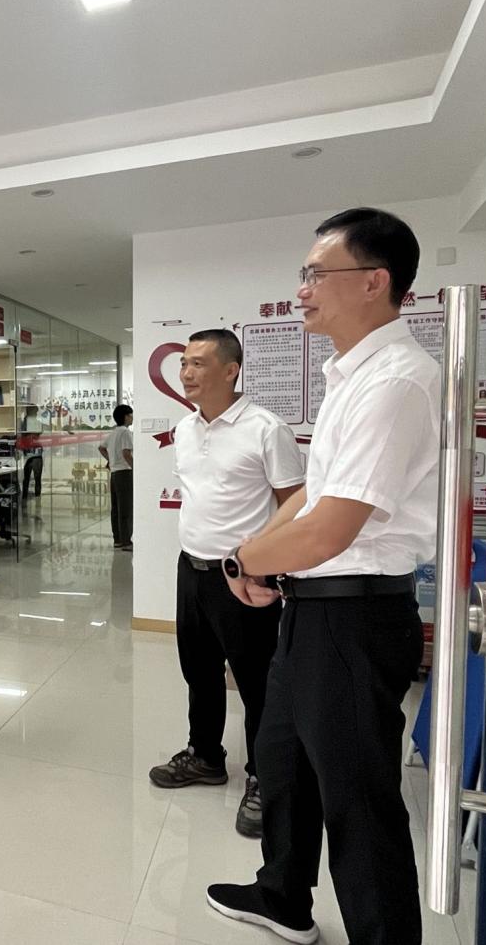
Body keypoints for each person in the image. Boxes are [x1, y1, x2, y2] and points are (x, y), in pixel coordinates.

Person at [205, 208, 437, 945]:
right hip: (312, 608)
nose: (301, 289)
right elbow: (311, 493)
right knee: (283, 759)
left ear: (374, 281)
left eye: (315, 274)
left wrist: (246, 561)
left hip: (354, 616)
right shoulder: (352, 372)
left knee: (357, 800)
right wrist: (253, 549)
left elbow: (334, 526)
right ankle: (283, 895)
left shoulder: (396, 381)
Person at [148, 329, 304, 839]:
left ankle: (263, 775)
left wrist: (265, 565)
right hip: (191, 569)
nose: (186, 373)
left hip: (244, 577)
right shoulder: (186, 428)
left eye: (197, 363)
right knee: (199, 671)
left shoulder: (265, 429)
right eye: (183, 363)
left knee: (257, 681)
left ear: (231, 369)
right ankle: (206, 756)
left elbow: (294, 503)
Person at [99, 404, 134, 550]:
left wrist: (111, 460)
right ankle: (126, 541)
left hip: (114, 474)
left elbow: (101, 448)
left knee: (116, 508)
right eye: (131, 415)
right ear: (125, 417)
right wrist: (135, 468)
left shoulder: (113, 433)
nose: (132, 418)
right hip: (124, 473)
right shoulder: (125, 432)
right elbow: (126, 453)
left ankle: (118, 539)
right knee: (126, 508)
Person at [20, 404, 44, 499]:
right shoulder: (24, 424)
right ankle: (25, 498)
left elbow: (38, 434)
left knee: (35, 478)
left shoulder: (36, 422)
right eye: (35, 412)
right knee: (27, 479)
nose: (36, 414)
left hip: (35, 453)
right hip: (29, 454)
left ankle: (36, 499)